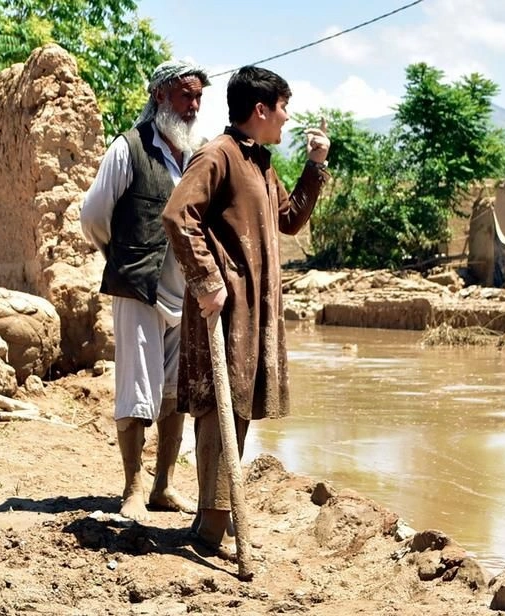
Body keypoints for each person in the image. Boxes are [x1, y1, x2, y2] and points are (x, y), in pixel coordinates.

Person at [161, 65, 330, 553]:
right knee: (221, 408)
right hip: (226, 309)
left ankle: (211, 519)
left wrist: (315, 165)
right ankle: (212, 525)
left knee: (236, 408)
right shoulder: (217, 155)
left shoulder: (259, 161)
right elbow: (178, 216)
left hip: (254, 311)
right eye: (283, 109)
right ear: (261, 109)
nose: (286, 118)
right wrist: (207, 281)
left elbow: (290, 220)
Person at [80, 59, 210, 522]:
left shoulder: (196, 155)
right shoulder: (129, 148)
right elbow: (93, 214)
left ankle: (163, 486)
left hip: (185, 295)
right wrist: (120, 258)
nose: (193, 106)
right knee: (136, 390)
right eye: (185, 96)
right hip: (139, 288)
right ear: (160, 97)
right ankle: (132, 488)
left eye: (198, 97)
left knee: (173, 391)